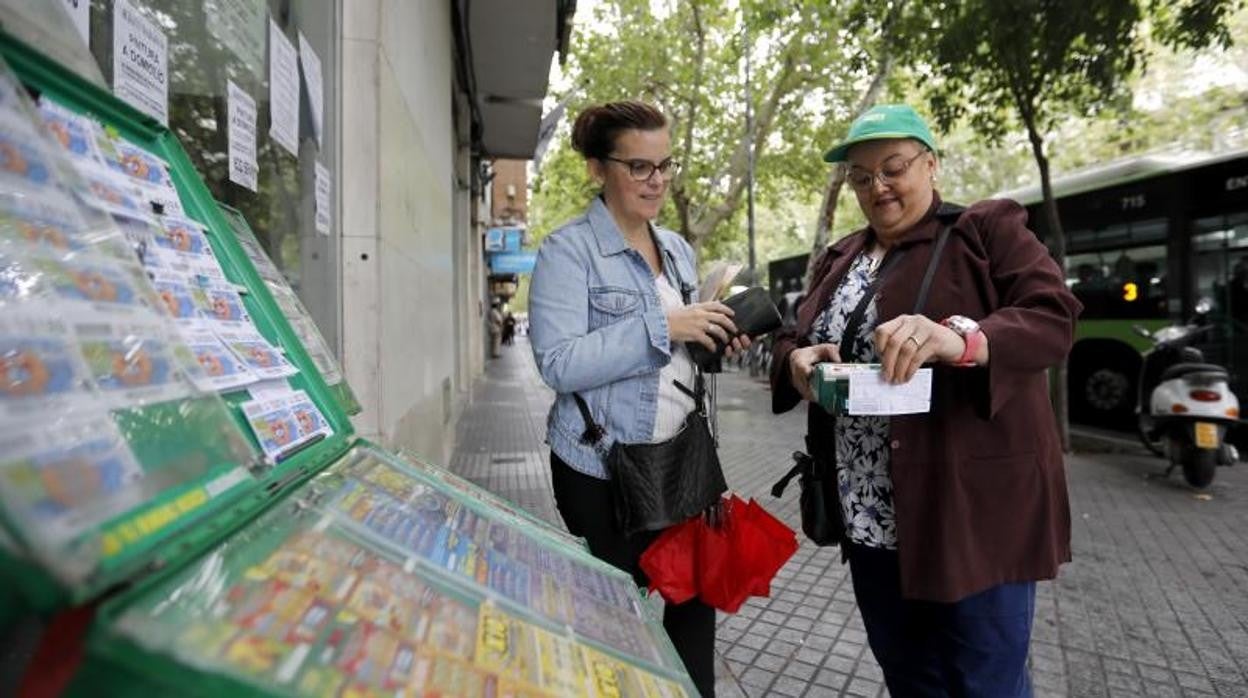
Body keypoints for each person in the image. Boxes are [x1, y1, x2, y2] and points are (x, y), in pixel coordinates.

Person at [769, 104, 1081, 697]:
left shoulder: (984, 231)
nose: (877, 187)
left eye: (892, 168)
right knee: (908, 676)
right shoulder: (840, 259)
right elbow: (795, 333)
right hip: (871, 517)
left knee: (985, 682)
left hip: (970, 514)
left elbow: (1053, 318)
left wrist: (959, 341)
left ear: (930, 164)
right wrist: (796, 362)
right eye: (861, 177)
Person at [528, 100, 747, 697]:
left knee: (694, 611)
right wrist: (665, 326)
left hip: (682, 461)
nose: (656, 182)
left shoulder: (676, 248)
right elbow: (557, 362)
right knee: (616, 626)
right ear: (599, 169)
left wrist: (713, 336)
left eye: (665, 166)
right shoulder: (566, 251)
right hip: (601, 469)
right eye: (639, 167)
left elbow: (681, 349)